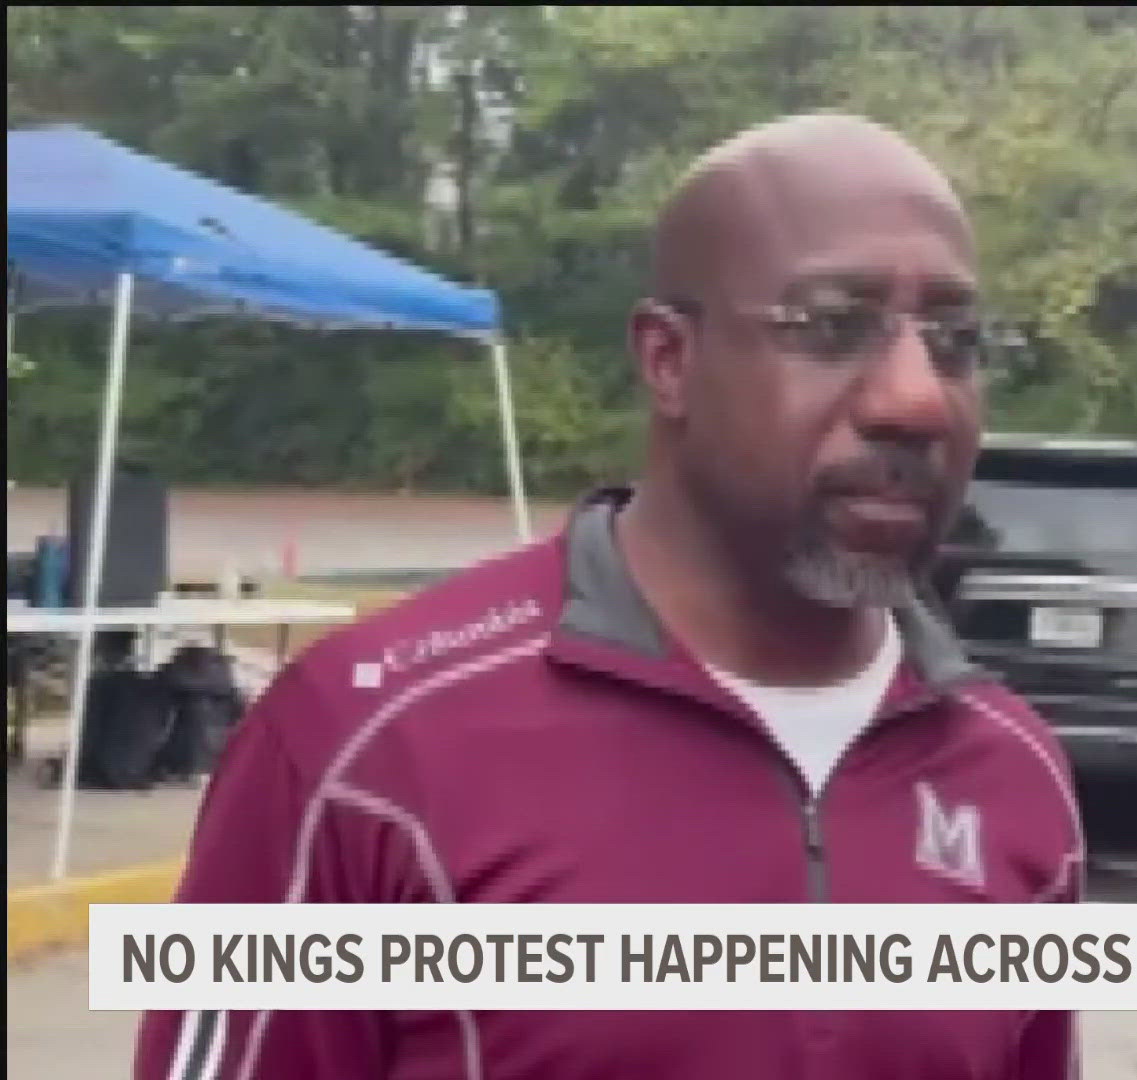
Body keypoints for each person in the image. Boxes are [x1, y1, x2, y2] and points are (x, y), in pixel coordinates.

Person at [134, 113, 1083, 1080]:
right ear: (669, 360)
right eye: (834, 327)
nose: (917, 400)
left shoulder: (1015, 776)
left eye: (957, 342)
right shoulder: (367, 749)